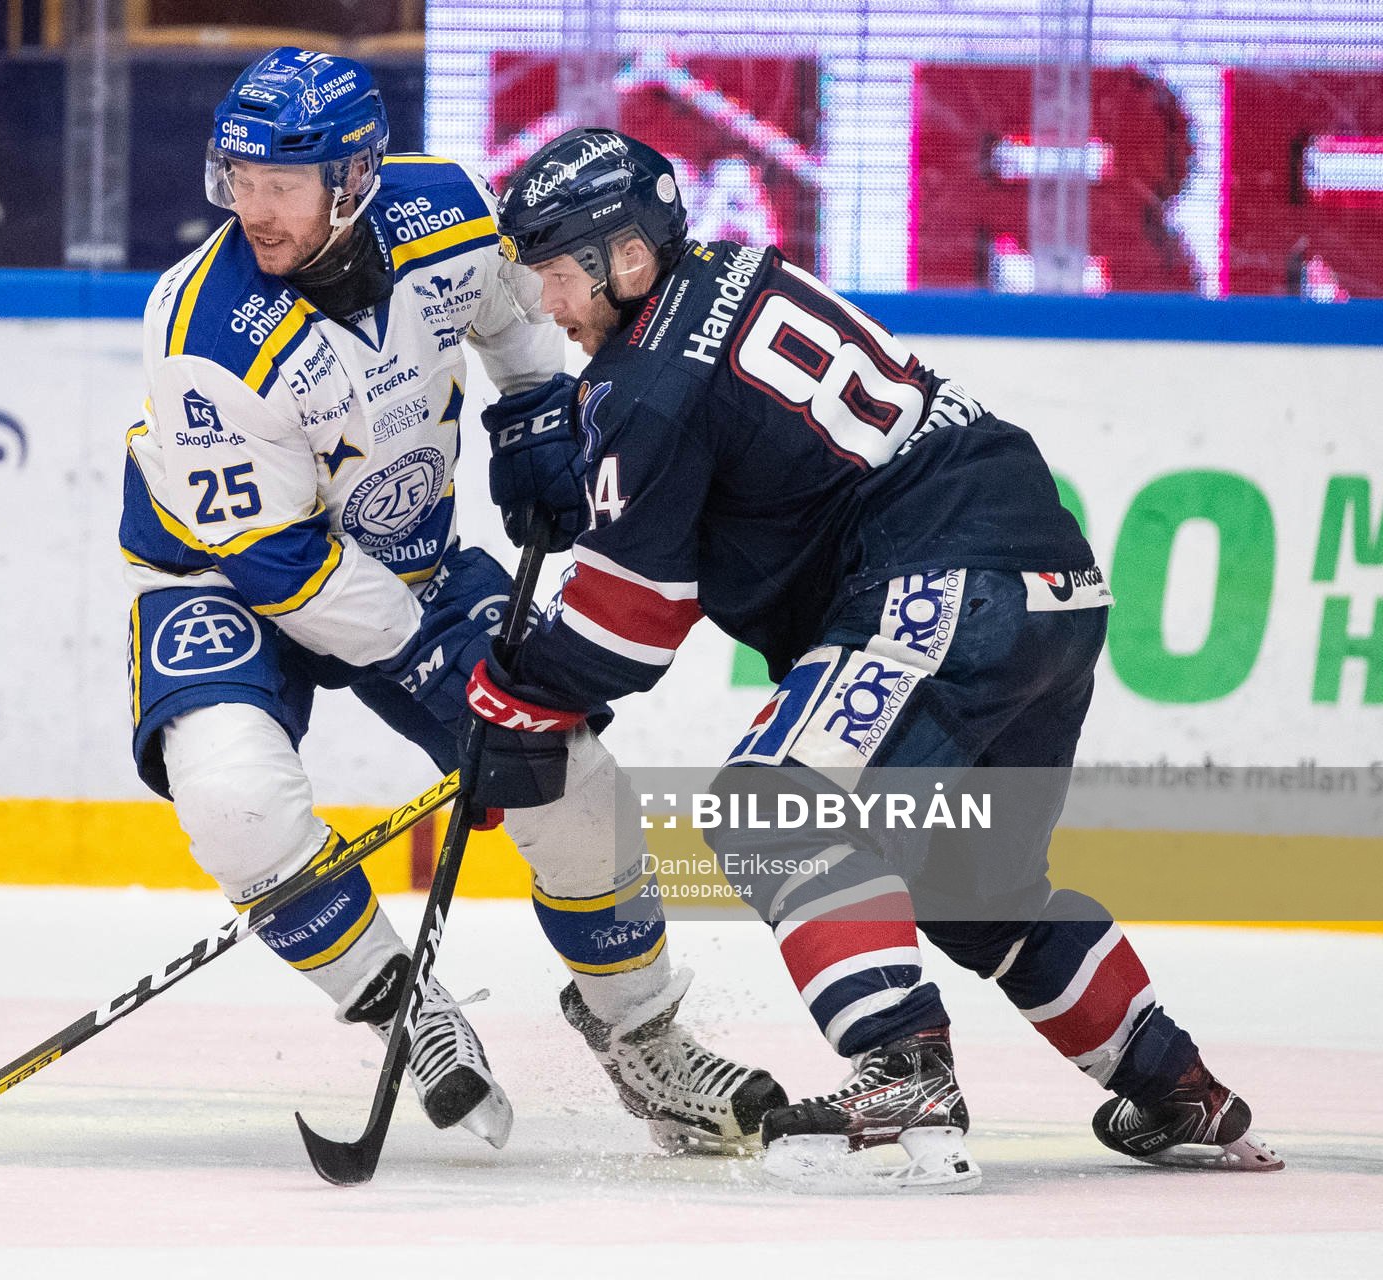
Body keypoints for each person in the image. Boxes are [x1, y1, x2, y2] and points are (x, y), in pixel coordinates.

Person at [471, 125, 1284, 1190]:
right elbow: (738, 467)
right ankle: (1179, 1087)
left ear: (626, 257)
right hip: (1043, 583)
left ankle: (902, 1070)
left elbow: (633, 619)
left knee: (771, 805)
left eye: (558, 275)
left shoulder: (644, 386)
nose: (548, 305)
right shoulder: (725, 271)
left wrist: (512, 692)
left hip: (943, 582)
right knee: (975, 881)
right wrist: (581, 473)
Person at [122, 53, 784, 1156]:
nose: (255, 207)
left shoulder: (448, 212)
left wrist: (534, 420)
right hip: (222, 572)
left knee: (570, 783)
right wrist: (436, 669)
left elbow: (523, 331)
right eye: (239, 177)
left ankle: (647, 1041)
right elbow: (280, 563)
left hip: (408, 556)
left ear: (357, 177)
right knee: (235, 801)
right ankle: (403, 1009)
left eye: (283, 182)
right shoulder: (201, 334)